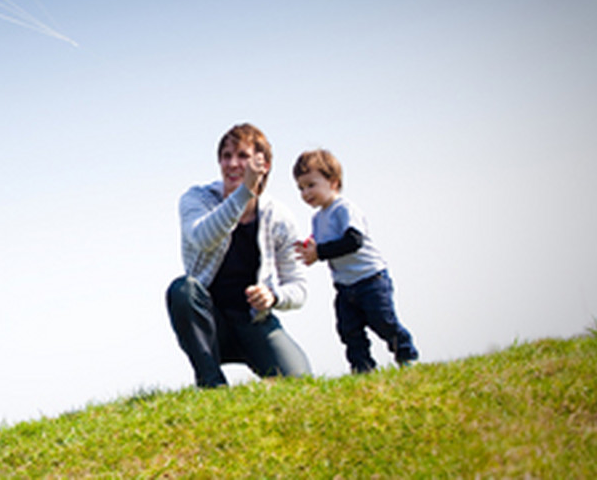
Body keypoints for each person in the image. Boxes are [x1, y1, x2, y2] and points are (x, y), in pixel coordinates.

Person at [166, 123, 311, 388]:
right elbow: (202, 238)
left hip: (253, 321)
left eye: (242, 156)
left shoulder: (278, 217)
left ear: (263, 164)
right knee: (182, 290)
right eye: (226, 156)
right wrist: (245, 191)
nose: (232, 164)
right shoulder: (196, 199)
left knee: (299, 380)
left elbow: (298, 287)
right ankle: (212, 384)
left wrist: (274, 296)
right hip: (210, 321)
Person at [292, 149, 419, 373]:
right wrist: (309, 248)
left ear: (333, 182)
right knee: (348, 329)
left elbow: (353, 241)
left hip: (371, 279)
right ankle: (362, 367)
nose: (305, 193)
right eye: (301, 188)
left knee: (383, 321)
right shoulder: (317, 217)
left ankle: (406, 354)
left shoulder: (344, 209)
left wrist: (320, 252)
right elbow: (320, 242)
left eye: (311, 185)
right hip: (344, 285)